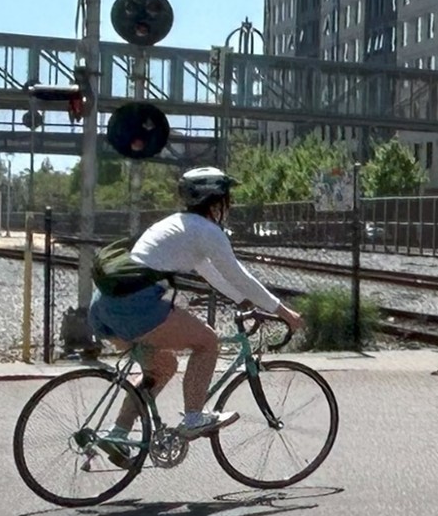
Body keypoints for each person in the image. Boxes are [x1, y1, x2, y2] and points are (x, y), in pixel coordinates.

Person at [88, 167, 306, 448]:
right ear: (217, 202)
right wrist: (284, 313)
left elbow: (210, 272)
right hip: (136, 305)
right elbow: (238, 275)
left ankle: (118, 434)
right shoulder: (207, 231)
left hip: (105, 306)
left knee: (162, 366)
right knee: (207, 341)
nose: (230, 205)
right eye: (228, 199)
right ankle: (193, 418)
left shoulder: (177, 225)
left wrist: (243, 301)